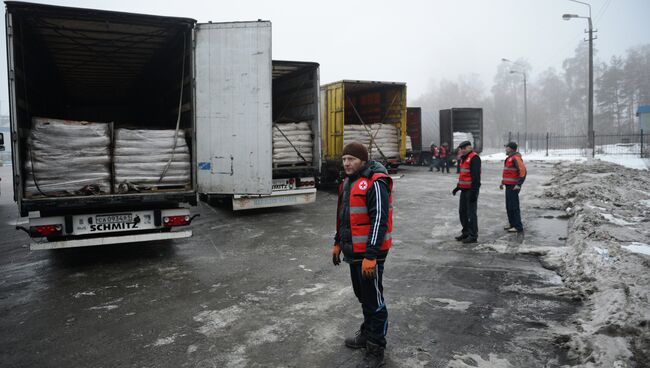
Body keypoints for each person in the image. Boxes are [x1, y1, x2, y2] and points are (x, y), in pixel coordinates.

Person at [332, 141, 393, 368]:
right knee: (363, 296)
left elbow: (379, 221)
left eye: (352, 159)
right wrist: (338, 242)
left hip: (370, 254)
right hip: (354, 253)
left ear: (363, 161)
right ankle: (368, 335)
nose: (347, 163)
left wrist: (371, 255)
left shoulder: (375, 183)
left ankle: (376, 348)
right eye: (344, 159)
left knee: (374, 301)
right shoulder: (348, 183)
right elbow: (344, 218)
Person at [452, 141, 481, 243]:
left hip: (471, 190)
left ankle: (473, 236)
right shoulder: (464, 158)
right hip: (464, 190)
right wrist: (457, 188)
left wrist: (474, 192)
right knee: (462, 212)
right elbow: (464, 176)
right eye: (461, 148)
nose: (463, 150)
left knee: (471, 213)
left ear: (470, 147)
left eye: (465, 148)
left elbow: (476, 177)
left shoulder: (474, 158)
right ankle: (466, 233)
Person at [500, 142, 526, 232]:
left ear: (511, 149)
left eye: (506, 147)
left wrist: (519, 184)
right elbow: (508, 173)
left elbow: (523, 172)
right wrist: (503, 182)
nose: (505, 149)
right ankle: (512, 224)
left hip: (513, 186)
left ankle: (518, 226)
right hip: (508, 185)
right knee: (509, 206)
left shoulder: (516, 158)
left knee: (514, 206)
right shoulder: (509, 158)